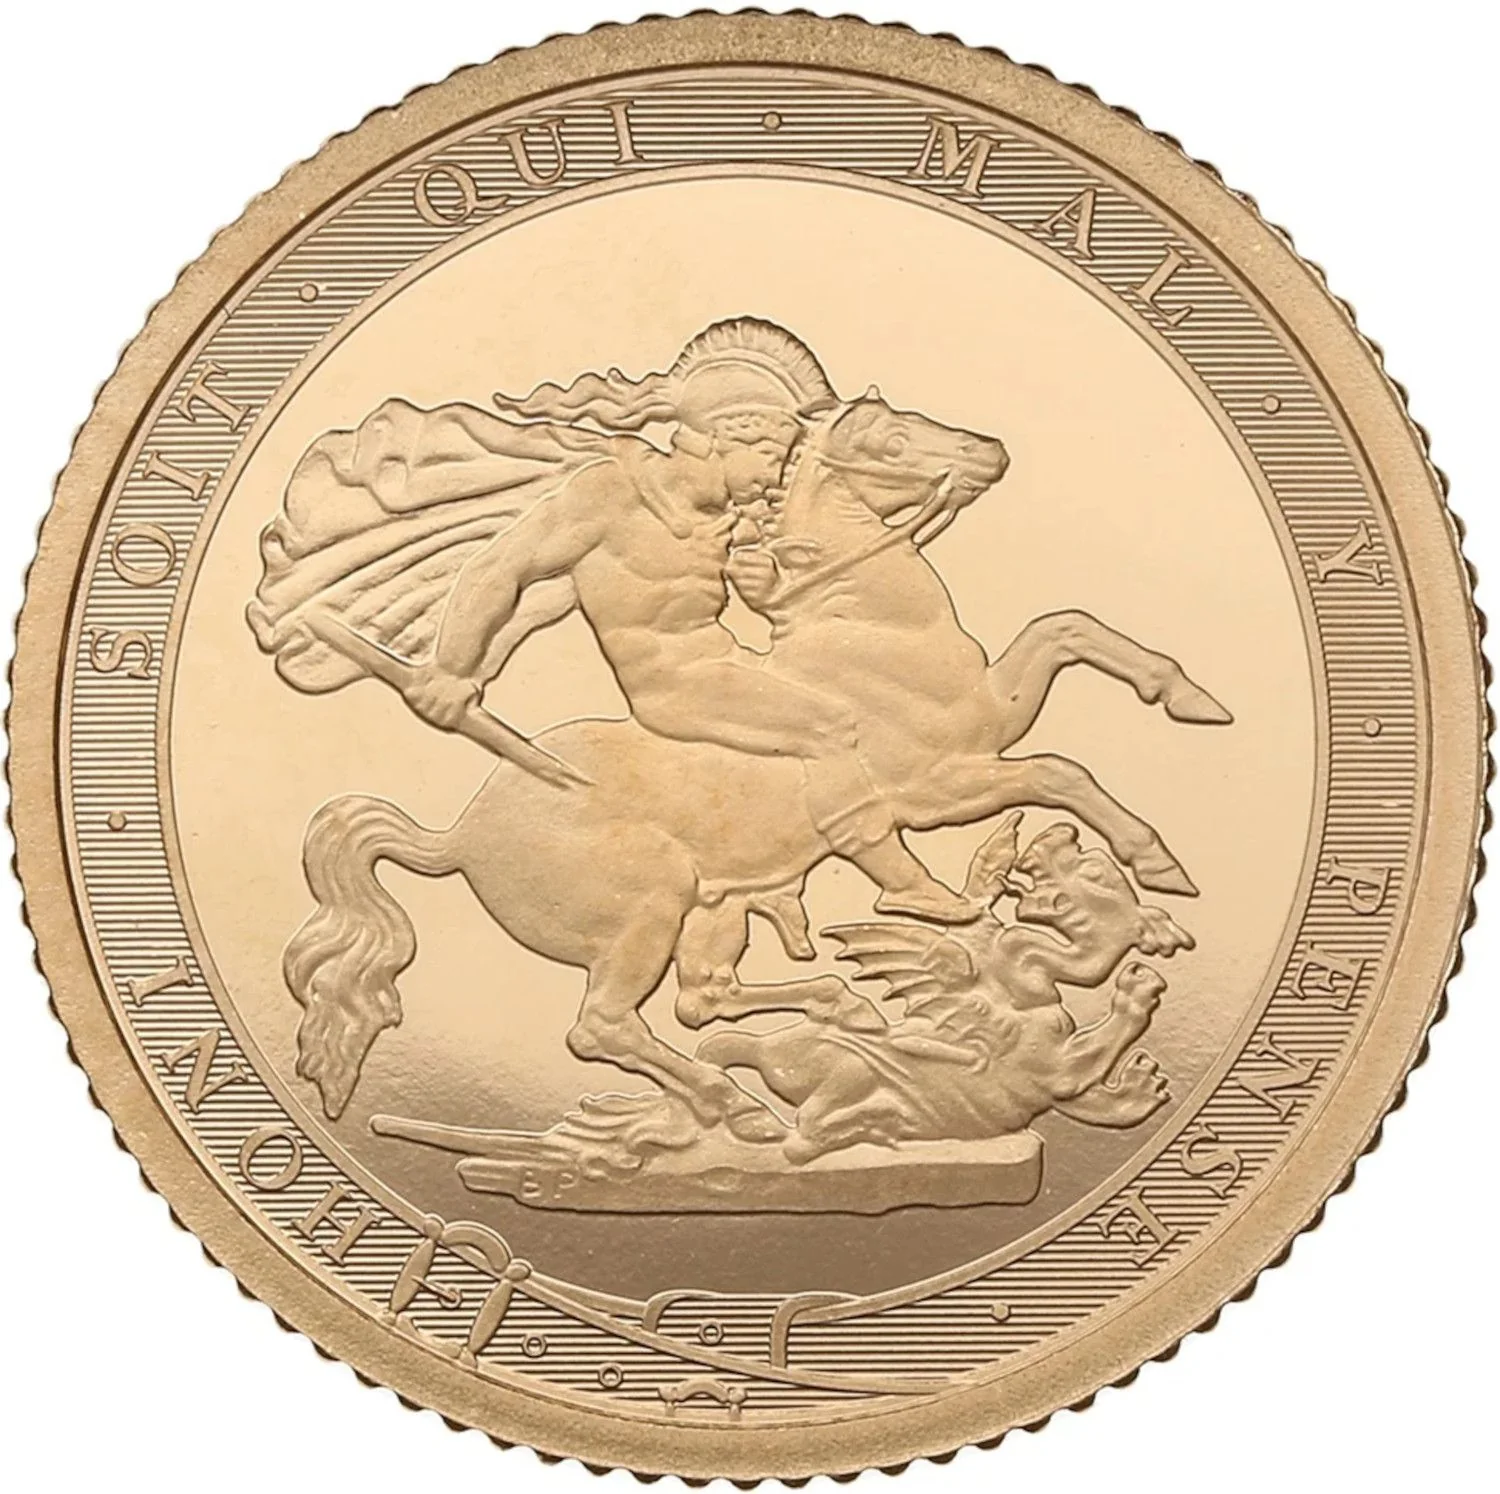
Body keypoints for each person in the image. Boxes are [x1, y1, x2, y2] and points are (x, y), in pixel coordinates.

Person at [402, 318, 974, 922]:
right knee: (831, 725)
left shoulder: (723, 514)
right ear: (727, 438)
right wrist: (452, 667)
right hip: (674, 686)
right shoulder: (612, 493)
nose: (774, 477)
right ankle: (902, 883)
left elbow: (766, 598)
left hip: (725, 662)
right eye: (771, 458)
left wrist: (767, 590)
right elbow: (501, 568)